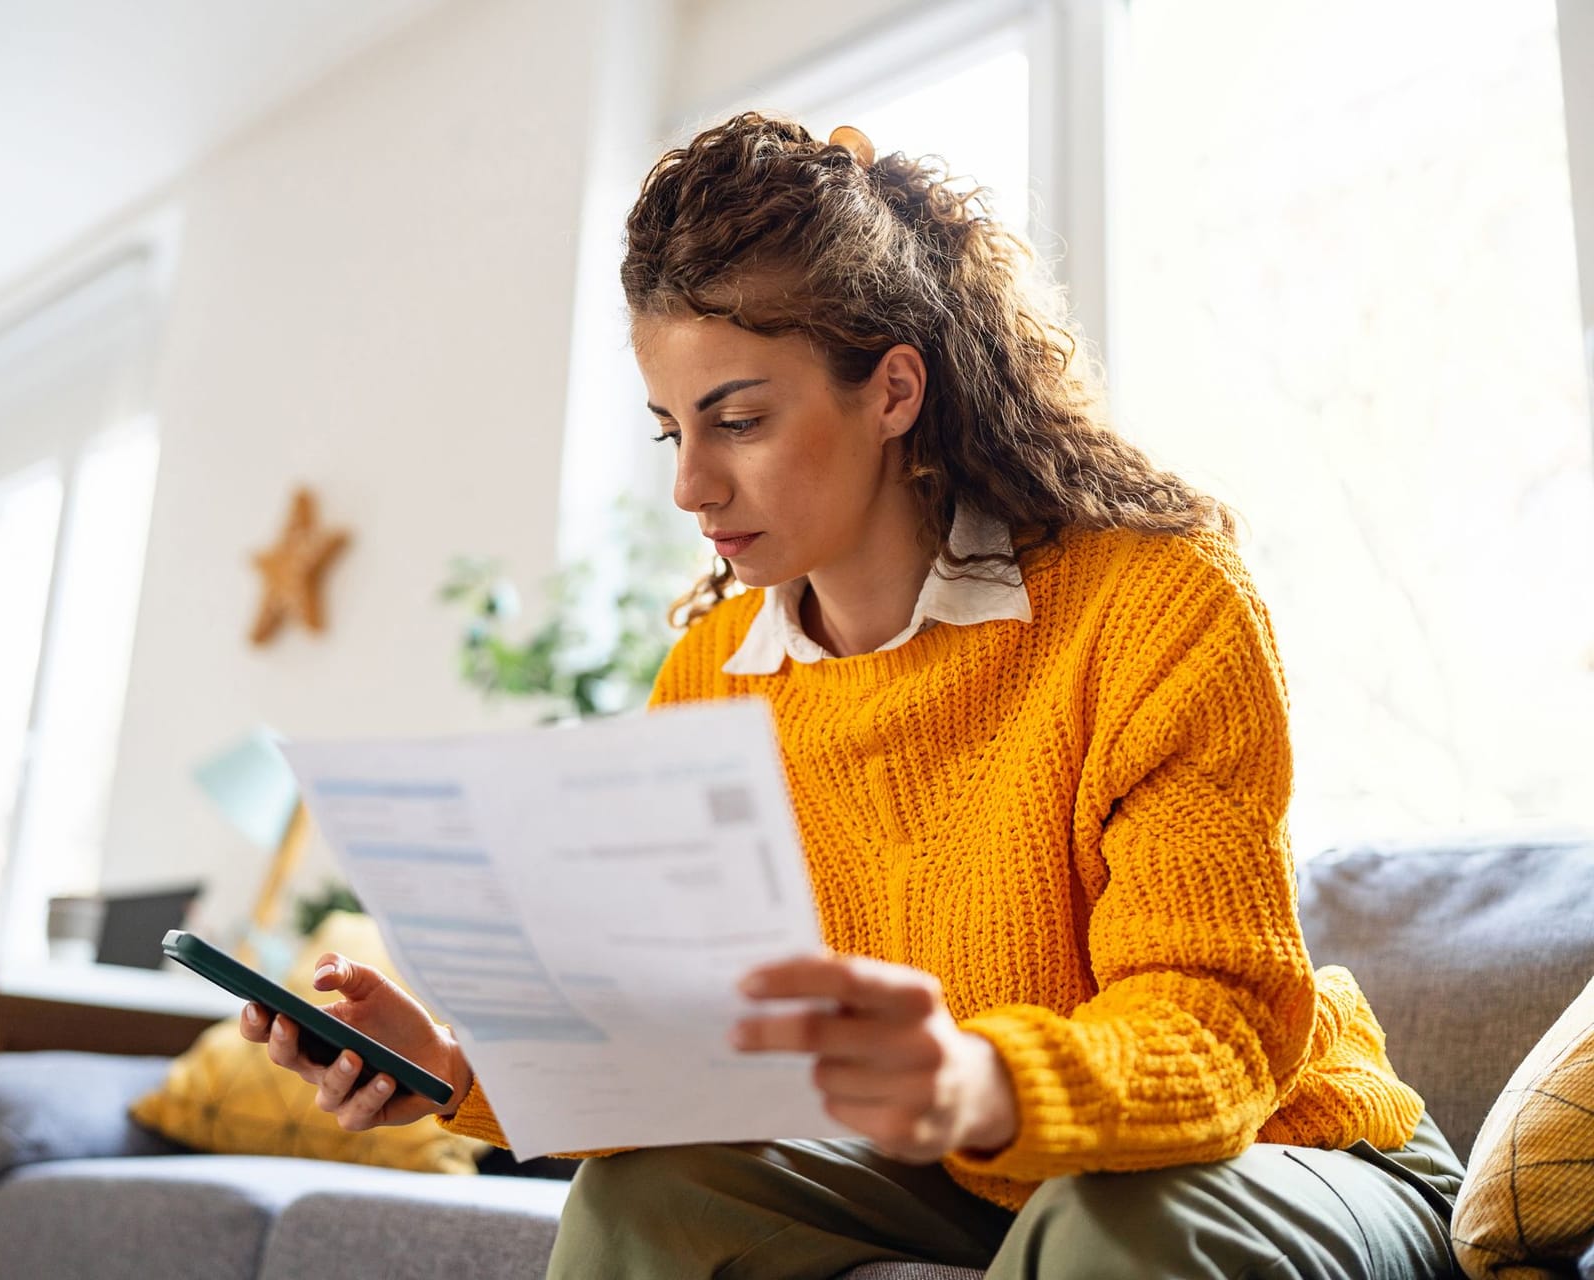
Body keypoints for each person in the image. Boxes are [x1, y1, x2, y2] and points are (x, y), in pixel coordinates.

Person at [239, 112, 1464, 1279]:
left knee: (1116, 1223)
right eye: (673, 431)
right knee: (646, 1199)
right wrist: (455, 1067)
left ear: (892, 389)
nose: (694, 486)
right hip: (962, 1160)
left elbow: (1221, 1024)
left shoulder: (1156, 601)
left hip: (1282, 1148)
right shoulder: (715, 674)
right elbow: (680, 1060)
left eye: (741, 418)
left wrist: (973, 1080)